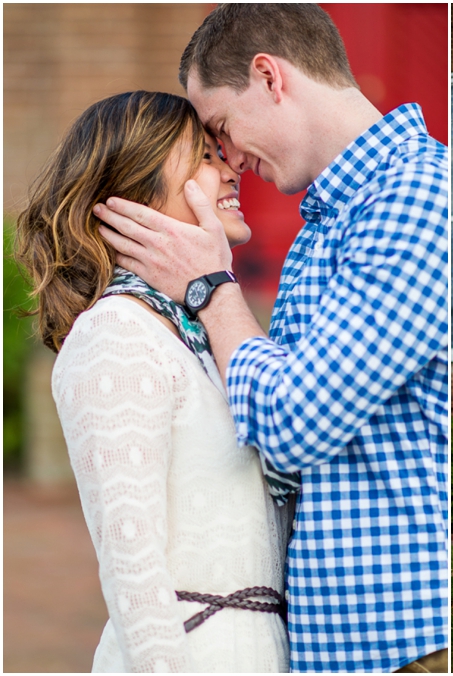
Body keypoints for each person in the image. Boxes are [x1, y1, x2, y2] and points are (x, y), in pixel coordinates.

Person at [93, 5, 448, 673]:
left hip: (404, 645)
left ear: (269, 76)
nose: (228, 159)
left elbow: (293, 425)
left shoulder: (414, 196)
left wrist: (210, 287)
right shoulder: (326, 226)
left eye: (221, 128)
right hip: (342, 645)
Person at [15, 91, 289, 672]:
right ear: (137, 192)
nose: (232, 168)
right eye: (206, 157)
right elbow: (132, 574)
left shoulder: (200, 336)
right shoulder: (116, 333)